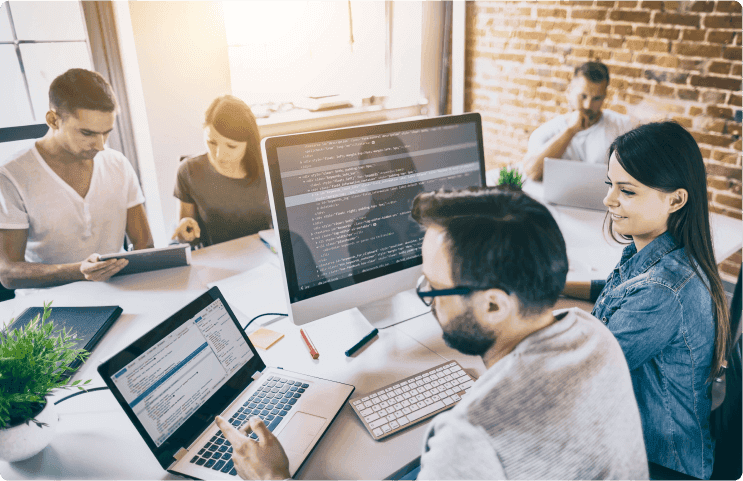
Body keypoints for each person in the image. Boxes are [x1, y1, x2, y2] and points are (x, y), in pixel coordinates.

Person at [213, 187, 649, 480]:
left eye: (435, 288)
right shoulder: (594, 336)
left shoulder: (467, 439)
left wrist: (274, 478)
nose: (426, 298)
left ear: (494, 304)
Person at [563, 122, 730, 479]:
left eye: (627, 191)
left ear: (676, 199)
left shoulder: (663, 291)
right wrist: (554, 285)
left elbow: (581, 376)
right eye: (610, 185)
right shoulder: (663, 252)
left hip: (660, 463)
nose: (609, 200)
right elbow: (616, 288)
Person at [0, 68, 153, 290]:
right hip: (50, 308)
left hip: (118, 292)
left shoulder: (117, 163)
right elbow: (8, 273)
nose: (100, 146)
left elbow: (145, 244)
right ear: (53, 120)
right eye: (87, 133)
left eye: (106, 132)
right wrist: (79, 271)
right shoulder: (11, 176)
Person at [172, 95, 271, 247]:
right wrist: (184, 234)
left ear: (249, 143)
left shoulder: (269, 167)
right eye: (211, 142)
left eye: (231, 146)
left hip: (265, 256)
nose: (219, 155)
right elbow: (186, 238)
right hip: (215, 263)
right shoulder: (189, 171)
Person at [523, 61, 633, 181]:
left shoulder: (622, 126)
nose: (588, 105)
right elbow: (532, 172)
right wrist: (571, 130)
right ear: (569, 92)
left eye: (597, 98)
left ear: (605, 96)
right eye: (583, 96)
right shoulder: (547, 131)